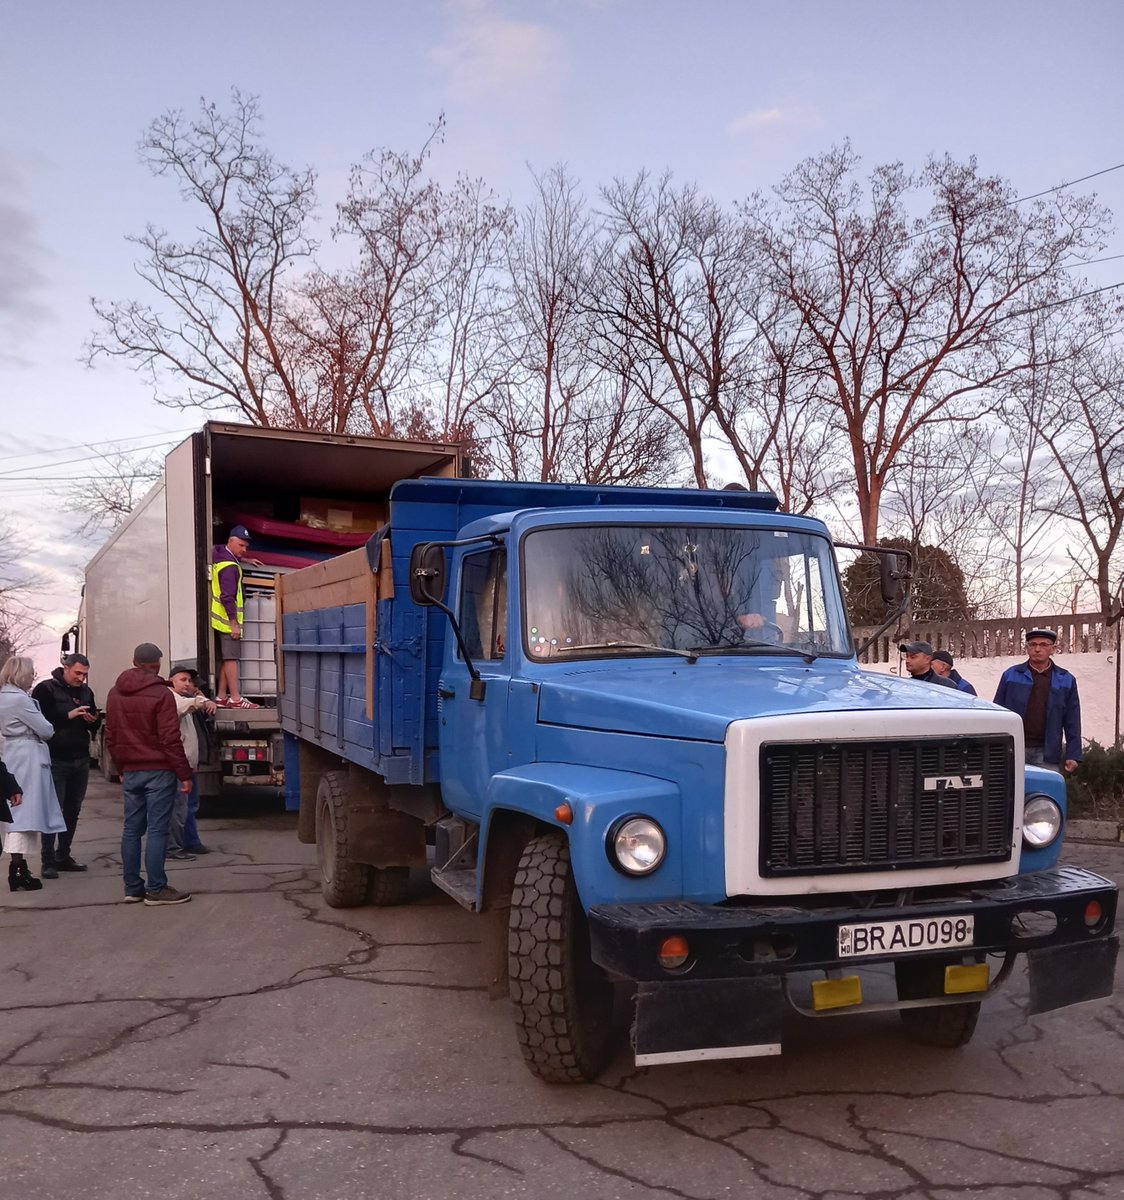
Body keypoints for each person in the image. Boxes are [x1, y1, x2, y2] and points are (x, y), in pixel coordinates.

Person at [105, 642, 194, 905]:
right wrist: (184, 773)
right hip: (158, 771)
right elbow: (169, 738)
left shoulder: (114, 693)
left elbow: (111, 736)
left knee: (131, 829)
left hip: (131, 771)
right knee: (157, 829)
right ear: (156, 664)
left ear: (134, 662)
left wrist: (121, 768)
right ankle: (156, 888)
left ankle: (132, 887)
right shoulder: (161, 694)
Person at [0, 656, 67, 891]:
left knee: (19, 811)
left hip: (13, 752)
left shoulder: (3, 697)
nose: (32, 677)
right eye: (30, 673)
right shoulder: (20, 701)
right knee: (23, 813)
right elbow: (46, 729)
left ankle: (20, 867)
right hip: (27, 755)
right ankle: (18, 869)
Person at [32, 652, 100, 877]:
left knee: (73, 809)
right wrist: (69, 715)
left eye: (85, 674)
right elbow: (40, 723)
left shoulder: (85, 691)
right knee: (53, 810)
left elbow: (92, 723)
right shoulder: (45, 689)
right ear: (66, 668)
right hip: (55, 758)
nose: (81, 678)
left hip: (80, 758)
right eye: (78, 673)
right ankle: (48, 860)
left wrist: (93, 721)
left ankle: (63, 855)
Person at [993, 628, 1081, 774]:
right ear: (1027, 649)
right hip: (1013, 748)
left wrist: (1073, 754)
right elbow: (997, 712)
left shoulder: (1065, 679)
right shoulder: (1011, 676)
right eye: (1032, 645)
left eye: (1043, 645)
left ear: (1053, 649)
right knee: (1011, 793)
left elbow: (1072, 719)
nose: (1037, 649)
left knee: (1044, 793)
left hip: (1047, 752)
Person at [166, 664, 218, 857]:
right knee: (178, 809)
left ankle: (190, 842)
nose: (187, 684)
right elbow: (186, 706)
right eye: (183, 680)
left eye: (189, 681)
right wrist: (203, 701)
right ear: (171, 680)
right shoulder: (170, 698)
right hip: (180, 765)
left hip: (189, 764)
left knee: (189, 806)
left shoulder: (185, 698)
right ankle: (175, 848)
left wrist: (200, 697)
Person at [211, 524, 260, 709]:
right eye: (241, 545)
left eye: (246, 546)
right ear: (230, 541)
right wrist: (234, 624)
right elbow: (227, 597)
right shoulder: (230, 568)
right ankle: (236, 699)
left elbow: (232, 560)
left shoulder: (221, 556)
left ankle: (222, 697)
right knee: (232, 659)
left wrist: (245, 559)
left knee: (227, 657)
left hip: (220, 619)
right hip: (227, 621)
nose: (244, 549)